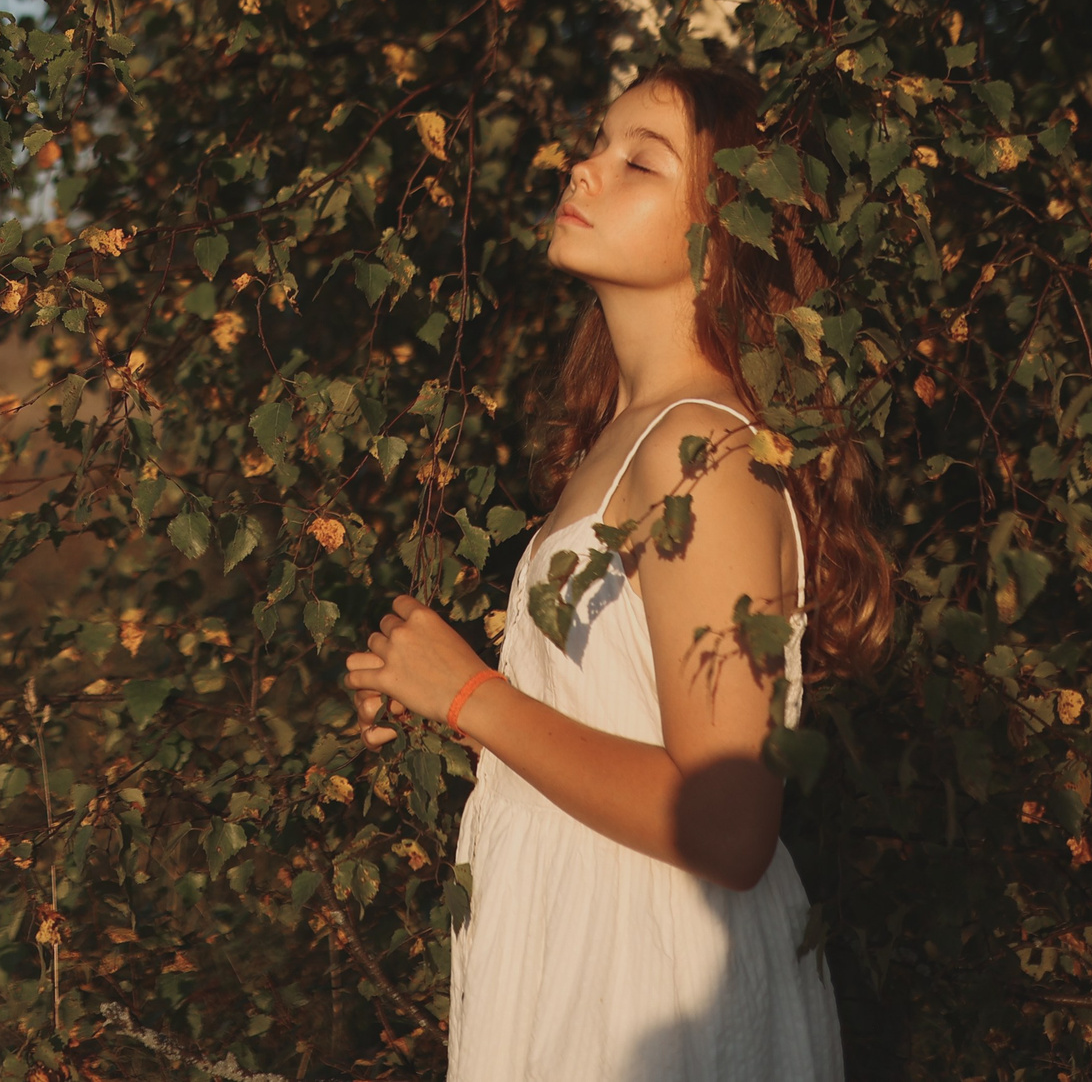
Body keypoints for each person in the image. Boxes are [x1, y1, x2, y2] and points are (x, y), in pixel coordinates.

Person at [343, 62, 893, 1080]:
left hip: (655, 995)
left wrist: (469, 696)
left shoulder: (705, 454)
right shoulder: (628, 436)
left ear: (721, 232)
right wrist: (432, 691)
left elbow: (728, 824)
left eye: (638, 161)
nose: (584, 169)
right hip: (591, 961)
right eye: (595, 143)